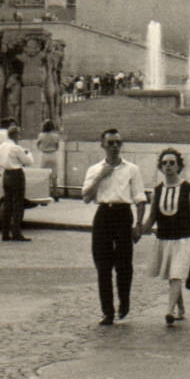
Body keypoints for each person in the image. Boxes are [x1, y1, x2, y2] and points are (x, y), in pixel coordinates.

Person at [81, 128, 147, 326]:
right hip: (103, 214)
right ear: (102, 145)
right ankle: (107, 311)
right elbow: (86, 197)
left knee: (124, 264)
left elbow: (140, 199)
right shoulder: (95, 169)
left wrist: (138, 224)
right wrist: (101, 176)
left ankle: (124, 302)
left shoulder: (131, 169)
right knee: (103, 266)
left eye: (118, 142)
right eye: (110, 143)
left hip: (122, 214)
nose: (115, 147)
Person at [139, 147, 190, 326]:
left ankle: (169, 311)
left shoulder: (188, 189)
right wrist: (139, 230)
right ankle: (180, 308)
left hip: (185, 238)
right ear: (160, 167)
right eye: (164, 163)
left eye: (172, 163)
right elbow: (152, 216)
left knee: (176, 274)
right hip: (165, 238)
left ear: (178, 166)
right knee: (172, 274)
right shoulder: (157, 191)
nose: (168, 166)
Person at [0, 122, 34, 241]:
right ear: (15, 135)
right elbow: (28, 162)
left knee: (7, 204)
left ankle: (5, 232)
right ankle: (16, 232)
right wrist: (29, 154)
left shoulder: (1, 146)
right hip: (16, 173)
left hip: (6, 173)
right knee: (18, 204)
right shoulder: (16, 148)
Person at [35, 119, 62, 201]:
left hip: (44, 154)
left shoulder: (41, 135)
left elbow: (37, 144)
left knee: (44, 175)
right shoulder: (55, 135)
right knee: (54, 175)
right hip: (53, 154)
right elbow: (57, 146)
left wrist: (41, 148)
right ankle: (55, 193)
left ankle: (45, 193)